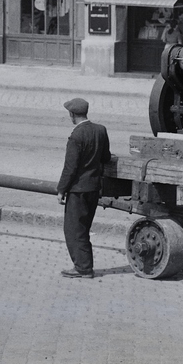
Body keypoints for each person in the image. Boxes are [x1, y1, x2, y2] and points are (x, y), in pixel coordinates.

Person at [57, 97, 110, 280]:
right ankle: (84, 265)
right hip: (94, 188)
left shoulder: (76, 136)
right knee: (84, 228)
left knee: (73, 230)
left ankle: (83, 268)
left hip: (78, 190)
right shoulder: (100, 130)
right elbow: (106, 157)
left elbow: (70, 168)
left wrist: (61, 190)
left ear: (72, 115)